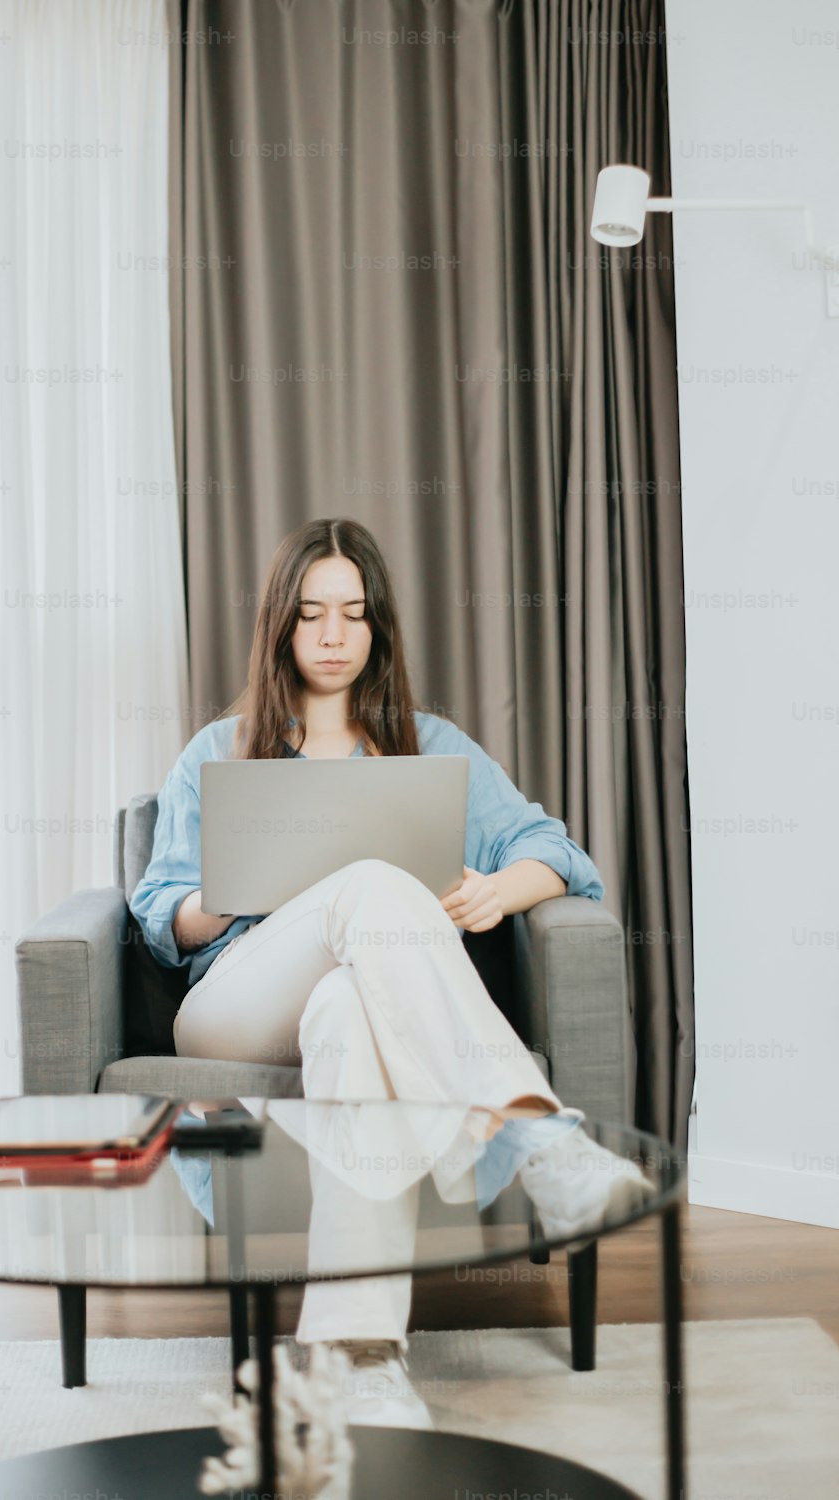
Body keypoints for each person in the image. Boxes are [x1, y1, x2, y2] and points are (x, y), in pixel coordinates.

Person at [132, 517, 649, 1427]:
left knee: (345, 1010)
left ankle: (358, 1358)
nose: (333, 636)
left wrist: (499, 890)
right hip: (233, 999)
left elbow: (555, 850)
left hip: (349, 996)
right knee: (366, 881)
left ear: (377, 630)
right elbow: (159, 919)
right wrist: (234, 883)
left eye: (353, 614)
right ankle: (537, 1137)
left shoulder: (430, 742)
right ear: (281, 628)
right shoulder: (217, 751)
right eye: (311, 615)